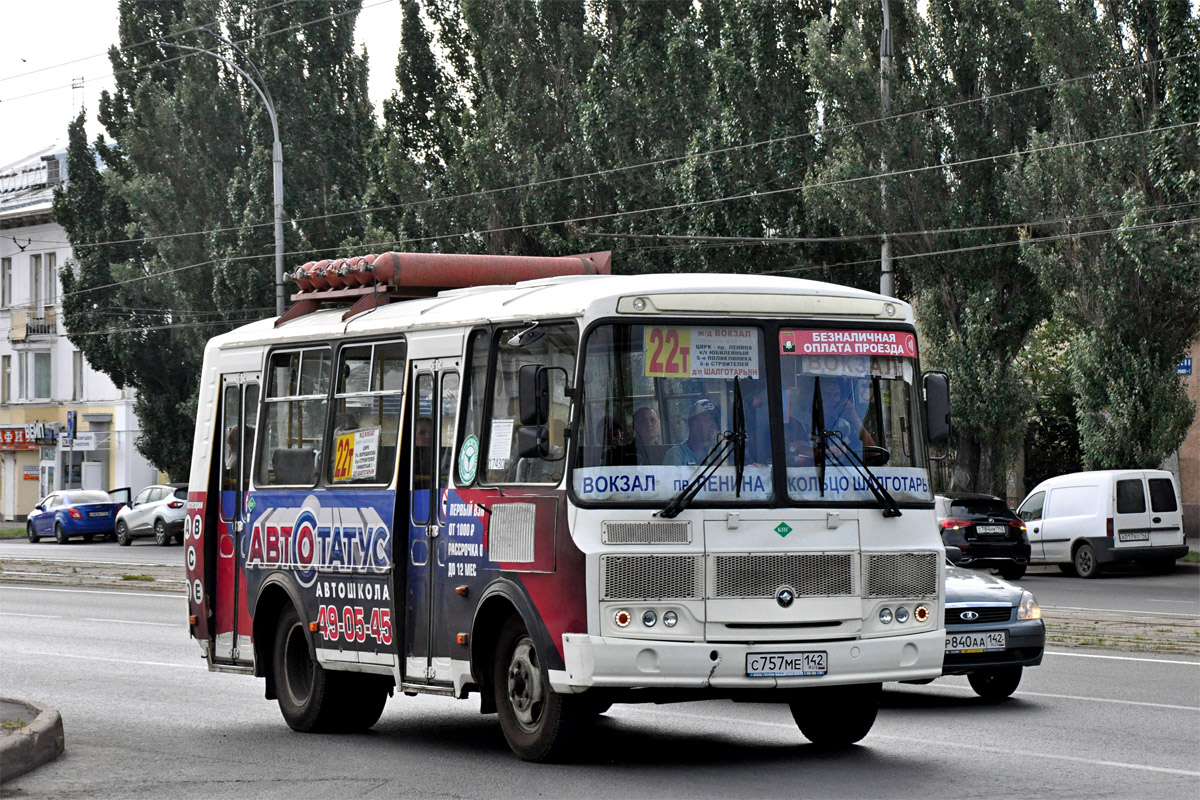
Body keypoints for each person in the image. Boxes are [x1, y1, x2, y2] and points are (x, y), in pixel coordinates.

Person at [665, 399, 722, 466]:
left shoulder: (717, 454)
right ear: (693, 423)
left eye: (714, 420)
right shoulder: (676, 454)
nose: (713, 425)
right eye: (709, 420)